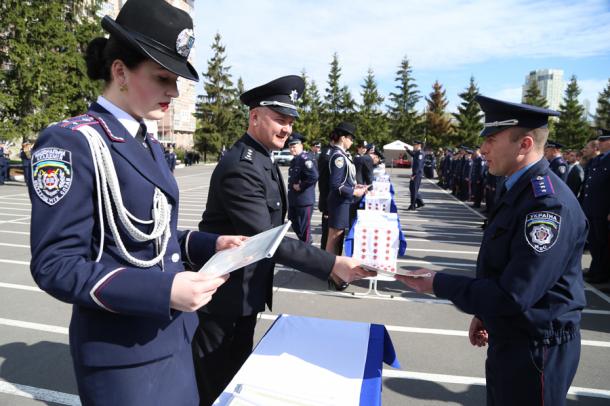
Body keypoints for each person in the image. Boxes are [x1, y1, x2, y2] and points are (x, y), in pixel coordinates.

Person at [26, 1, 245, 404]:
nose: (173, 92)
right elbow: (55, 265)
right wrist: (163, 292)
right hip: (122, 358)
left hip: (174, 337)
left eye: (177, 79)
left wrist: (209, 244)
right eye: (163, 77)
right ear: (120, 72)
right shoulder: (72, 142)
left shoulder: (148, 143)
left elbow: (148, 233)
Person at [194, 76, 374, 406]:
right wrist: (332, 264)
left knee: (234, 380)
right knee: (216, 386)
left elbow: (275, 230)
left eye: (290, 122)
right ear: (255, 117)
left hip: (244, 295)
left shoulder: (262, 158)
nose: (287, 129)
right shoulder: (242, 166)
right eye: (280, 119)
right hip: (224, 299)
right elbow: (266, 238)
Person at [397, 95, 587, 406]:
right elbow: (504, 266)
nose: (482, 150)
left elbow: (515, 294)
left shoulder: (546, 204)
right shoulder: (516, 187)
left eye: (491, 140)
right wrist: (485, 314)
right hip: (512, 335)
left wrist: (437, 282)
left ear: (524, 144)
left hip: (536, 347)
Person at [326, 121, 368, 256]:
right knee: (334, 238)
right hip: (339, 203)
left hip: (342, 202)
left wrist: (355, 185)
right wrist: (354, 191)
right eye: (350, 138)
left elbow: (345, 180)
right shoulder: (339, 157)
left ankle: (334, 271)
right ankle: (330, 271)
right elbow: (336, 185)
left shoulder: (343, 155)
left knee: (338, 238)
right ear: (343, 138)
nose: (351, 142)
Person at [581, 129, 610, 284]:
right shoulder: (597, 160)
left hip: (603, 210)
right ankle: (595, 269)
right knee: (594, 242)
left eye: (604, 140)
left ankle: (603, 274)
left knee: (603, 243)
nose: (600, 143)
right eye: (599, 140)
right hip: (591, 208)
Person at [286, 132, 318, 243]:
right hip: (294, 201)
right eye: (290, 146)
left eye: (294, 146)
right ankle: (307, 243)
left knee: (305, 230)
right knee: (293, 223)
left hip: (304, 200)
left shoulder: (305, 159)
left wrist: (301, 186)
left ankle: (308, 250)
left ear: (301, 146)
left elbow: (314, 176)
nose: (292, 149)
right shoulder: (295, 160)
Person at [406, 140, 424, 210]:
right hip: (416, 173)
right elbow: (413, 155)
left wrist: (414, 174)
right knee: (412, 188)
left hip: (417, 174)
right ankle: (420, 202)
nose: (413, 146)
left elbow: (419, 165)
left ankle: (412, 205)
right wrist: (408, 150)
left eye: (415, 145)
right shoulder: (417, 153)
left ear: (419, 145)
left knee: (414, 189)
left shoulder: (420, 153)